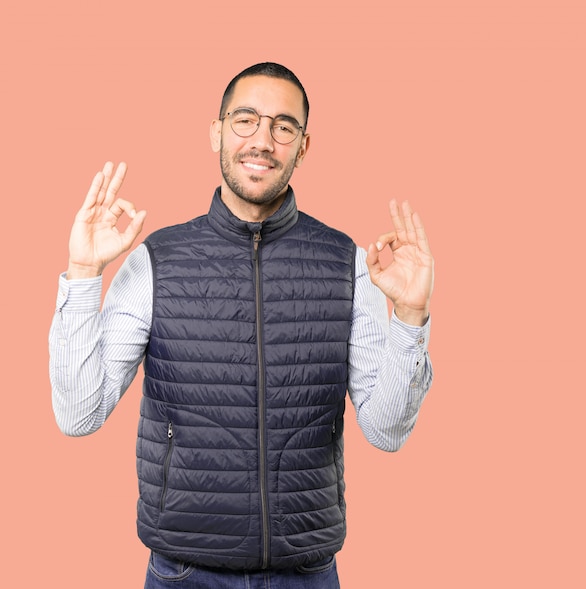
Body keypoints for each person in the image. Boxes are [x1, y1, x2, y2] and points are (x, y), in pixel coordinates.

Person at [49, 62, 434, 588]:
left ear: (303, 146)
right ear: (217, 131)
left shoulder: (350, 264)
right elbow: (79, 413)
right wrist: (83, 272)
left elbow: (387, 432)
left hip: (306, 572)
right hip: (183, 572)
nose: (263, 141)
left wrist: (410, 317)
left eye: (283, 126)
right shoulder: (155, 261)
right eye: (245, 120)